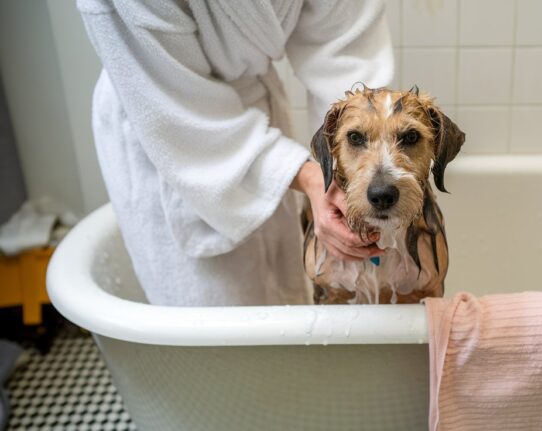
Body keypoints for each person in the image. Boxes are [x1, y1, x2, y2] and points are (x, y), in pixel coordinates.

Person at [78, 0, 393, 306]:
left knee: (282, 307)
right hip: (167, 119)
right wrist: (311, 178)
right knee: (208, 329)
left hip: (257, 107)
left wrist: (351, 170)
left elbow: (345, 48)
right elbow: (179, 110)